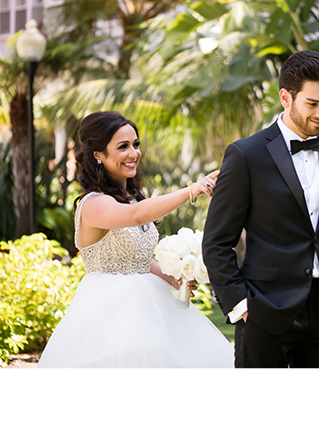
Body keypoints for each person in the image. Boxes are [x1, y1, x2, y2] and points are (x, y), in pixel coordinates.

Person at [202, 50, 319, 368]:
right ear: (286, 98)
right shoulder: (246, 155)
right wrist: (241, 305)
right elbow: (217, 242)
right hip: (264, 311)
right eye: (312, 104)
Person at [37, 111, 232, 368]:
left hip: (150, 306)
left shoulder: (133, 197)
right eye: (123, 147)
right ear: (98, 154)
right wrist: (190, 190)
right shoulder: (93, 204)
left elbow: (135, 259)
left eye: (135, 144)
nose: (134, 153)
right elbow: (136, 215)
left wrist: (172, 276)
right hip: (110, 314)